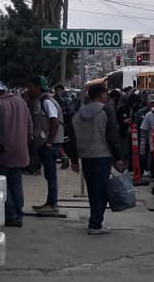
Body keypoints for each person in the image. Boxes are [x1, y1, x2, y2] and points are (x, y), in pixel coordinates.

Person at [67, 81, 125, 234]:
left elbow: (71, 138)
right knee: (101, 191)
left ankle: (94, 220)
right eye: (105, 93)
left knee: (93, 190)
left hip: (85, 157)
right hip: (102, 156)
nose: (106, 96)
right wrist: (118, 157)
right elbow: (112, 136)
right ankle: (95, 224)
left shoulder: (78, 115)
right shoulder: (106, 111)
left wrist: (74, 160)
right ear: (101, 94)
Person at [0, 79, 31, 228]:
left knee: (4, 185)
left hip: (4, 151)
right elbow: (29, 126)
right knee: (16, 184)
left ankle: (11, 215)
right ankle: (19, 214)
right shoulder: (21, 102)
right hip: (20, 150)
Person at [27, 76, 63, 216]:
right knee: (49, 175)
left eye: (31, 86)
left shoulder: (46, 102)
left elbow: (54, 122)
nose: (29, 89)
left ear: (38, 87)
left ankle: (52, 204)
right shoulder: (40, 101)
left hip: (49, 145)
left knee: (51, 175)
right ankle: (49, 203)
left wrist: (49, 141)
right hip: (46, 143)